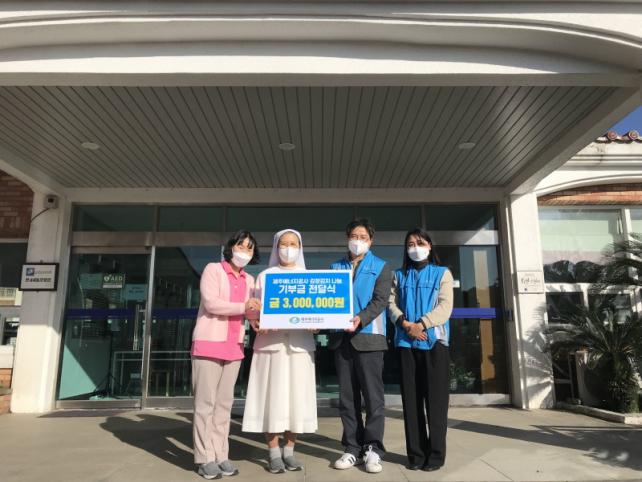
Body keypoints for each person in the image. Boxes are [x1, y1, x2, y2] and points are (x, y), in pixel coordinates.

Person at [242, 229, 318, 474]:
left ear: (300, 248)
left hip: (299, 346)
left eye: (293, 244)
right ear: (276, 248)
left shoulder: (309, 278)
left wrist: (317, 323)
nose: (288, 248)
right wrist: (257, 322)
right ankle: (274, 452)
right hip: (271, 347)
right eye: (284, 244)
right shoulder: (265, 277)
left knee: (297, 400)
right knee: (271, 399)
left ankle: (290, 451)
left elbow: (318, 311)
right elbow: (253, 312)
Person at [191, 230, 261, 480]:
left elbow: (252, 312)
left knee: (224, 405)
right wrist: (244, 307)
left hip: (234, 346)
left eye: (249, 248)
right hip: (209, 343)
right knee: (205, 405)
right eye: (241, 245)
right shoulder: (213, 269)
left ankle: (221, 454)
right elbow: (211, 303)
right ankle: (204, 457)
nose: (244, 251)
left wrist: (260, 320)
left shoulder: (250, 280)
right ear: (231, 247)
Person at [388, 227, 454, 472]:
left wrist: (422, 325)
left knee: (436, 404)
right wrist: (406, 324)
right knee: (411, 403)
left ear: (429, 246)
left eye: (420, 242)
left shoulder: (442, 274)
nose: (415, 247)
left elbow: (445, 307)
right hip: (406, 343)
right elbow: (390, 303)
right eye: (410, 244)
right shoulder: (398, 275)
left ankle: (435, 456)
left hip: (434, 344)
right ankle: (415, 455)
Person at [329, 218, 391, 474]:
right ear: (347, 239)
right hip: (342, 341)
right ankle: (352, 448)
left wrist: (360, 319)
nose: (358, 241)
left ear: (371, 241)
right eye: (354, 236)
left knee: (373, 399)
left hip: (369, 340)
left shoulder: (381, 267)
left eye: (363, 237)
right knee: (347, 399)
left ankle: (373, 449)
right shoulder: (335, 267)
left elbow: (380, 301)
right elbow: (327, 300)